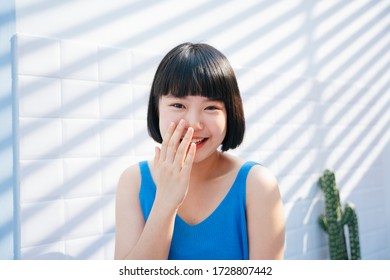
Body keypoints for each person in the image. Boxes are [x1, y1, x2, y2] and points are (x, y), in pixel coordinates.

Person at [114, 42, 285, 260]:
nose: (193, 124)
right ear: (156, 108)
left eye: (211, 107)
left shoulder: (258, 185)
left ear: (230, 113)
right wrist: (165, 201)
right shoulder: (134, 181)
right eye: (178, 105)